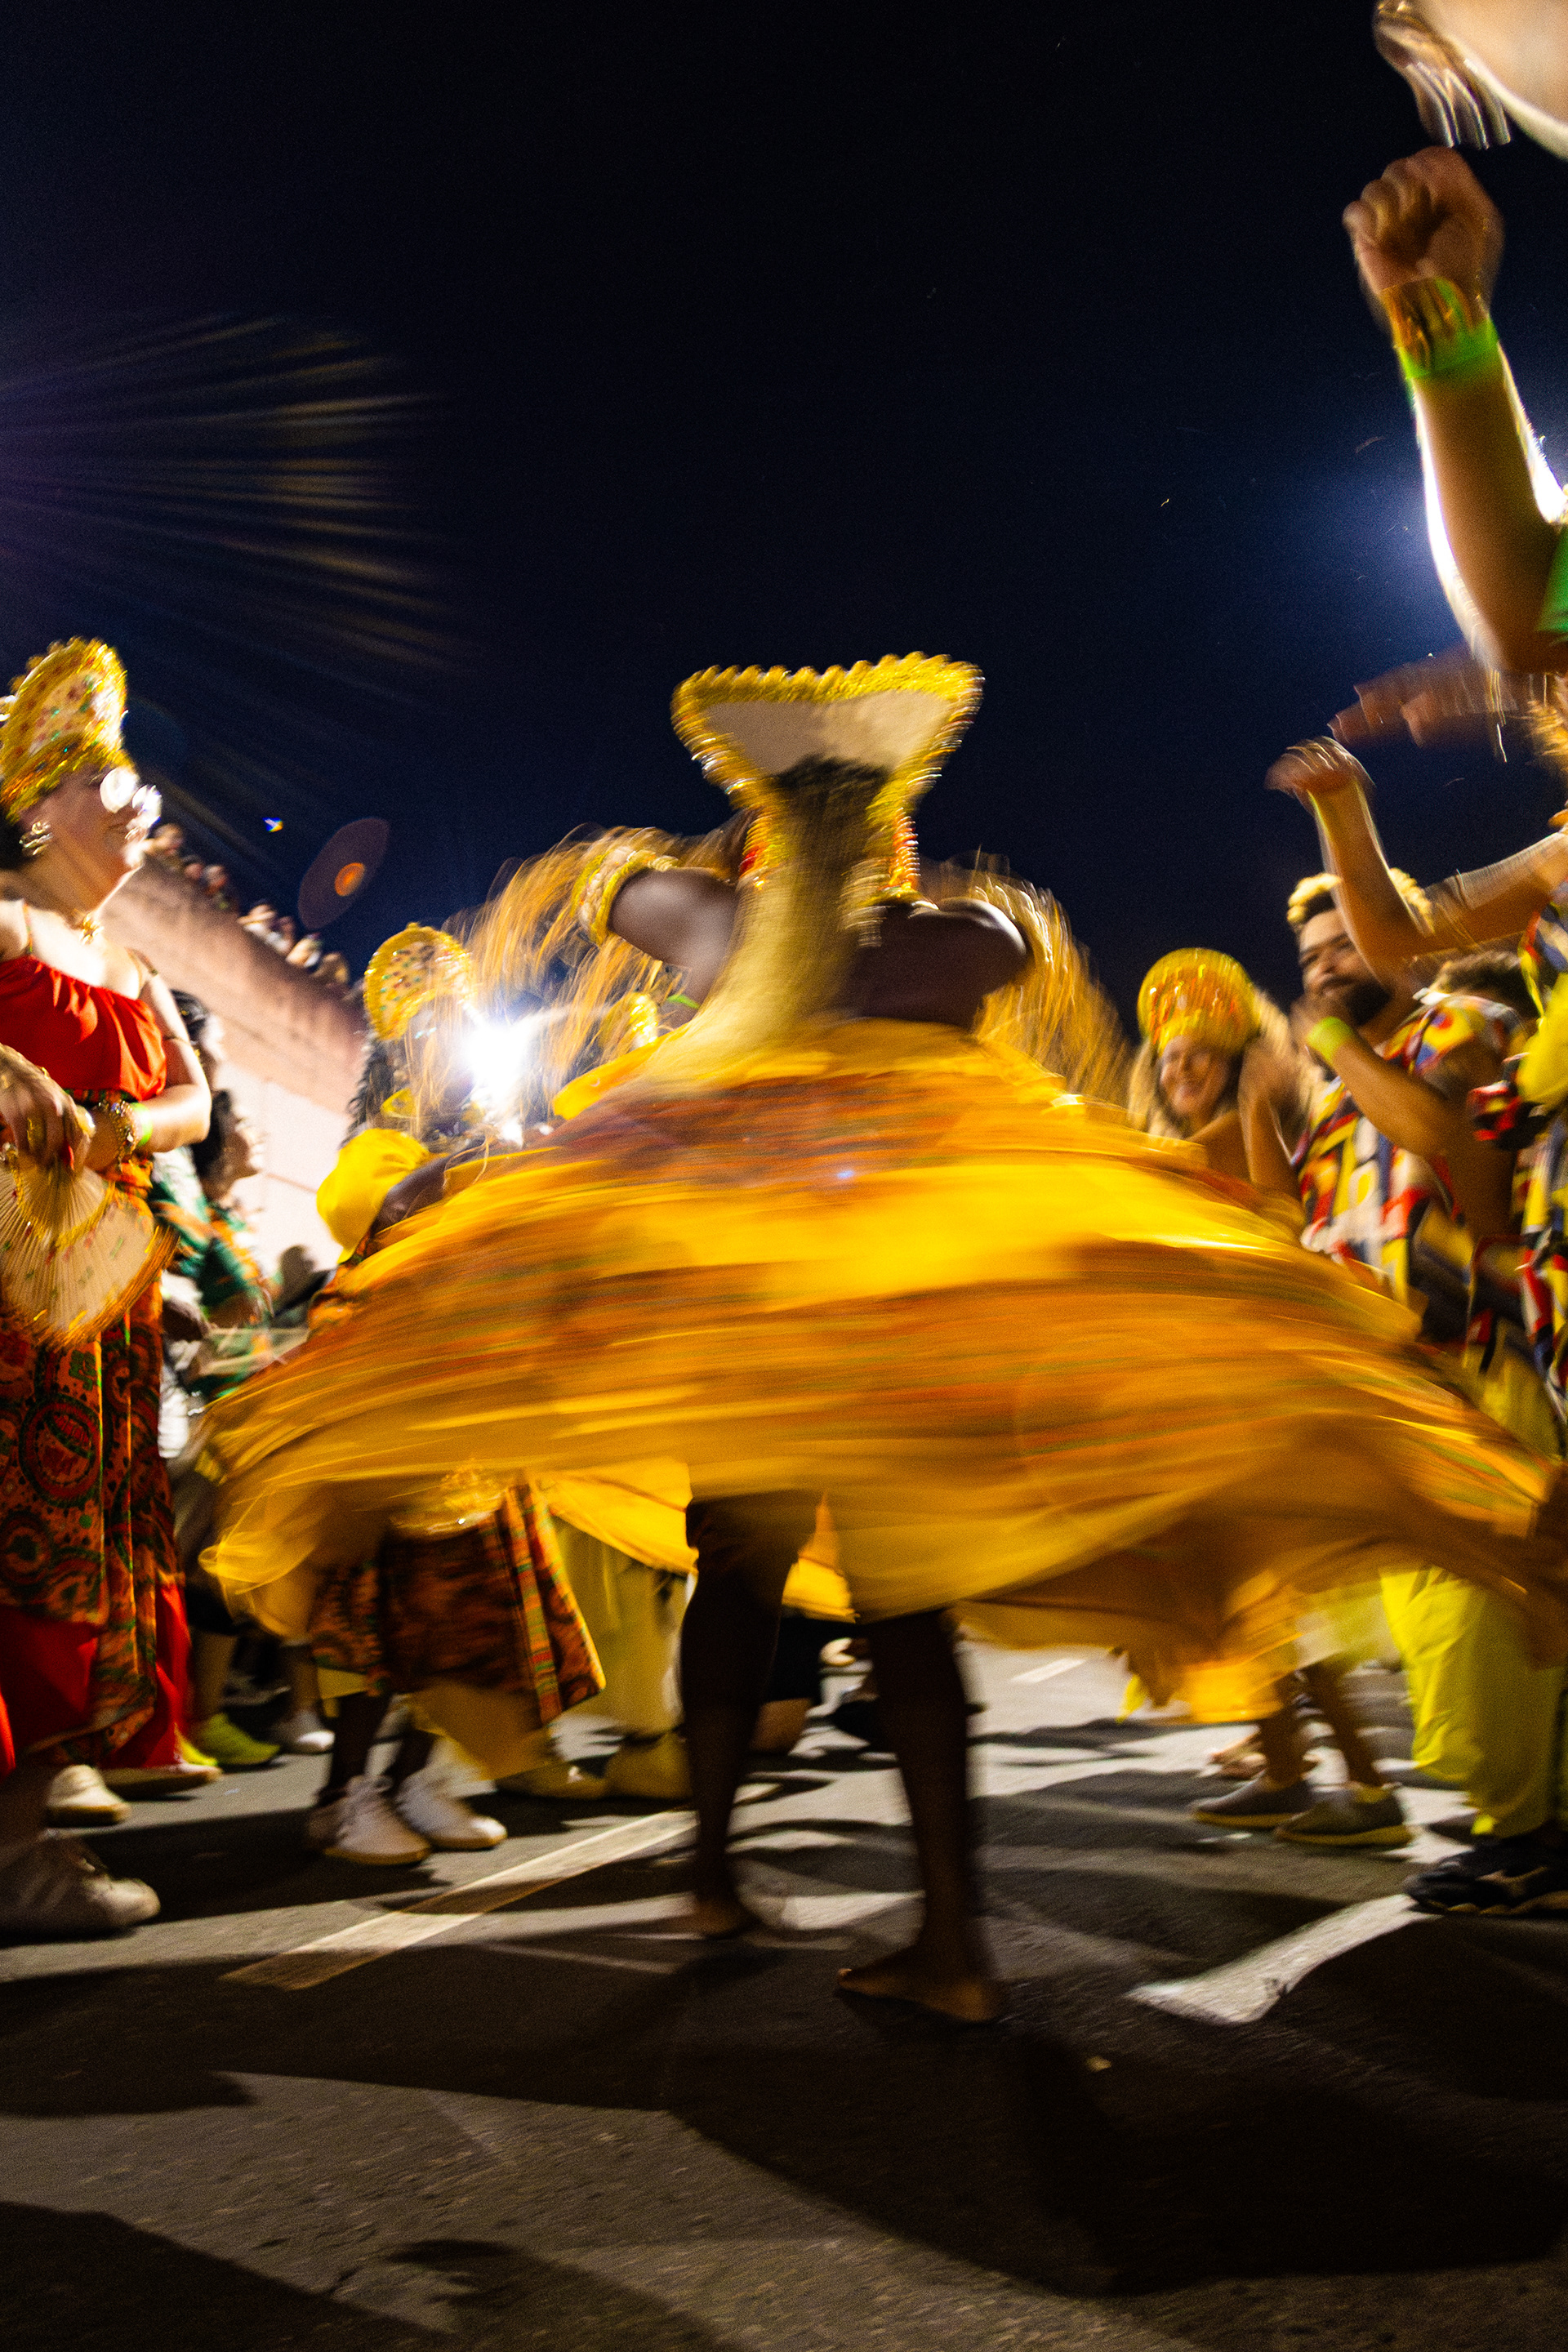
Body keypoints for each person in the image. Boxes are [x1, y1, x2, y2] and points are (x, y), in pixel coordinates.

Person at [202, 657, 1568, 2020]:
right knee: (890, 1611)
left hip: (763, 1327)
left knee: (745, 1577)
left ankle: (728, 1875)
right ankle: (949, 1939)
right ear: (885, 832)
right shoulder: (941, 942)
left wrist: (735, 851)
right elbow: (1007, 948)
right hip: (885, 1338)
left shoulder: (728, 928)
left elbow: (605, 882)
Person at [0, 639, 212, 1936]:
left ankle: (32, 1838)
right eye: (119, 782)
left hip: (101, 1310)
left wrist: (121, 1127)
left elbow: (191, 1101)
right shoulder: (6, 919)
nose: (148, 811)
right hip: (6, 1299)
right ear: (43, 803)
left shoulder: (138, 970)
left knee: (80, 1554)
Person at [1129, 950, 1304, 1180]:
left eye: (1200, 1052)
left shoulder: (1245, 1131)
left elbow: (1163, 1169)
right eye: (1171, 1058)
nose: (1183, 1067)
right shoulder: (1175, 1147)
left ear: (1234, 1066)